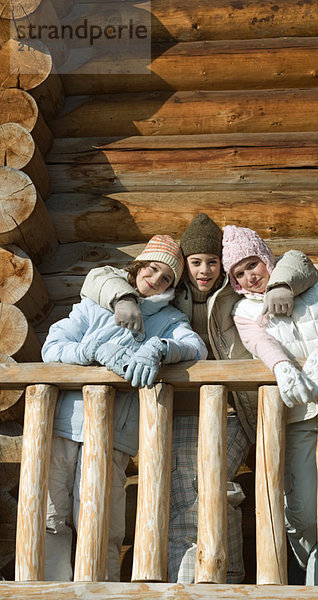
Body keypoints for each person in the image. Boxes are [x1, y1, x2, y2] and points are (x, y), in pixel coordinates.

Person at [79, 213, 318, 583]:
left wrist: (280, 284)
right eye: (195, 262)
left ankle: (205, 581)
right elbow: (101, 276)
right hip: (179, 413)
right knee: (189, 495)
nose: (204, 270)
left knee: (207, 487)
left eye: (212, 262)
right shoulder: (168, 293)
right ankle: (208, 579)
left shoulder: (235, 293)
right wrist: (125, 298)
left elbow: (295, 260)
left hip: (235, 411)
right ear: (185, 266)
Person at [41, 235, 207, 582]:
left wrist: (159, 348)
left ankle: (100, 590)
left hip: (115, 434)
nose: (156, 280)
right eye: (153, 269)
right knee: (50, 516)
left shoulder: (170, 319)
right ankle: (47, 589)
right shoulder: (96, 305)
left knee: (102, 519)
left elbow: (195, 348)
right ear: (138, 265)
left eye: (167, 279)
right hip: (65, 425)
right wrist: (90, 352)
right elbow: (53, 346)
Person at [221, 224, 318, 585]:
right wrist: (284, 367)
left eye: (252, 264)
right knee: (301, 512)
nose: (249, 276)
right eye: (238, 273)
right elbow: (262, 346)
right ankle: (312, 569)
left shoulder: (315, 287)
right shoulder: (243, 311)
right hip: (296, 414)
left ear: (265, 258)